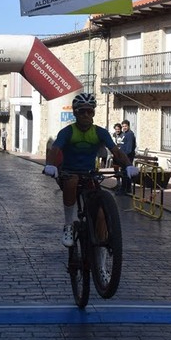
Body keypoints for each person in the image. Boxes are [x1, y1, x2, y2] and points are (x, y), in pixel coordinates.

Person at [42, 93, 132, 247]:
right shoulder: (67, 132)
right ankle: (68, 225)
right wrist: (49, 165)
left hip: (89, 174)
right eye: (81, 111)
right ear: (75, 113)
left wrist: (128, 165)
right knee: (72, 182)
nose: (85, 115)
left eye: (89, 111)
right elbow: (55, 149)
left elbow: (116, 151)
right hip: (69, 172)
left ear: (93, 113)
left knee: (101, 215)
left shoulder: (99, 132)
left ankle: (100, 258)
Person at [119, 120, 137, 194]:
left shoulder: (130, 134)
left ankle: (125, 189)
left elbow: (129, 148)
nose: (124, 128)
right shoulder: (125, 134)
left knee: (125, 173)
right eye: (123, 126)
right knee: (125, 173)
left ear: (128, 126)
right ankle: (126, 188)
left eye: (125, 126)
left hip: (127, 157)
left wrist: (124, 156)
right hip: (124, 156)